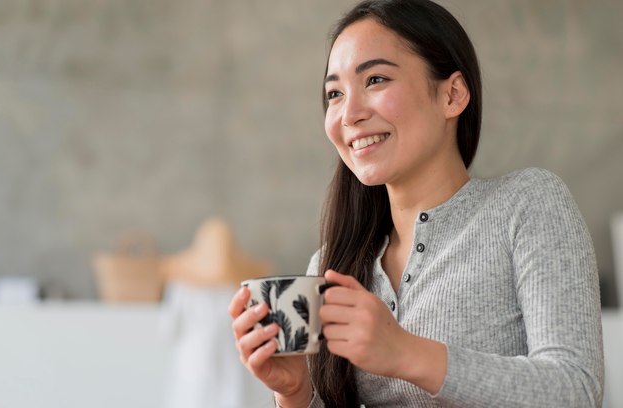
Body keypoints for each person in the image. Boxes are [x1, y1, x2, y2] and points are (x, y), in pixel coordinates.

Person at [228, 0, 605, 406]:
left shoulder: (526, 205)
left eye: (375, 80)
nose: (349, 114)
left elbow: (576, 390)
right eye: (334, 93)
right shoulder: (329, 266)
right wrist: (295, 393)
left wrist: (405, 352)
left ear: (453, 95)